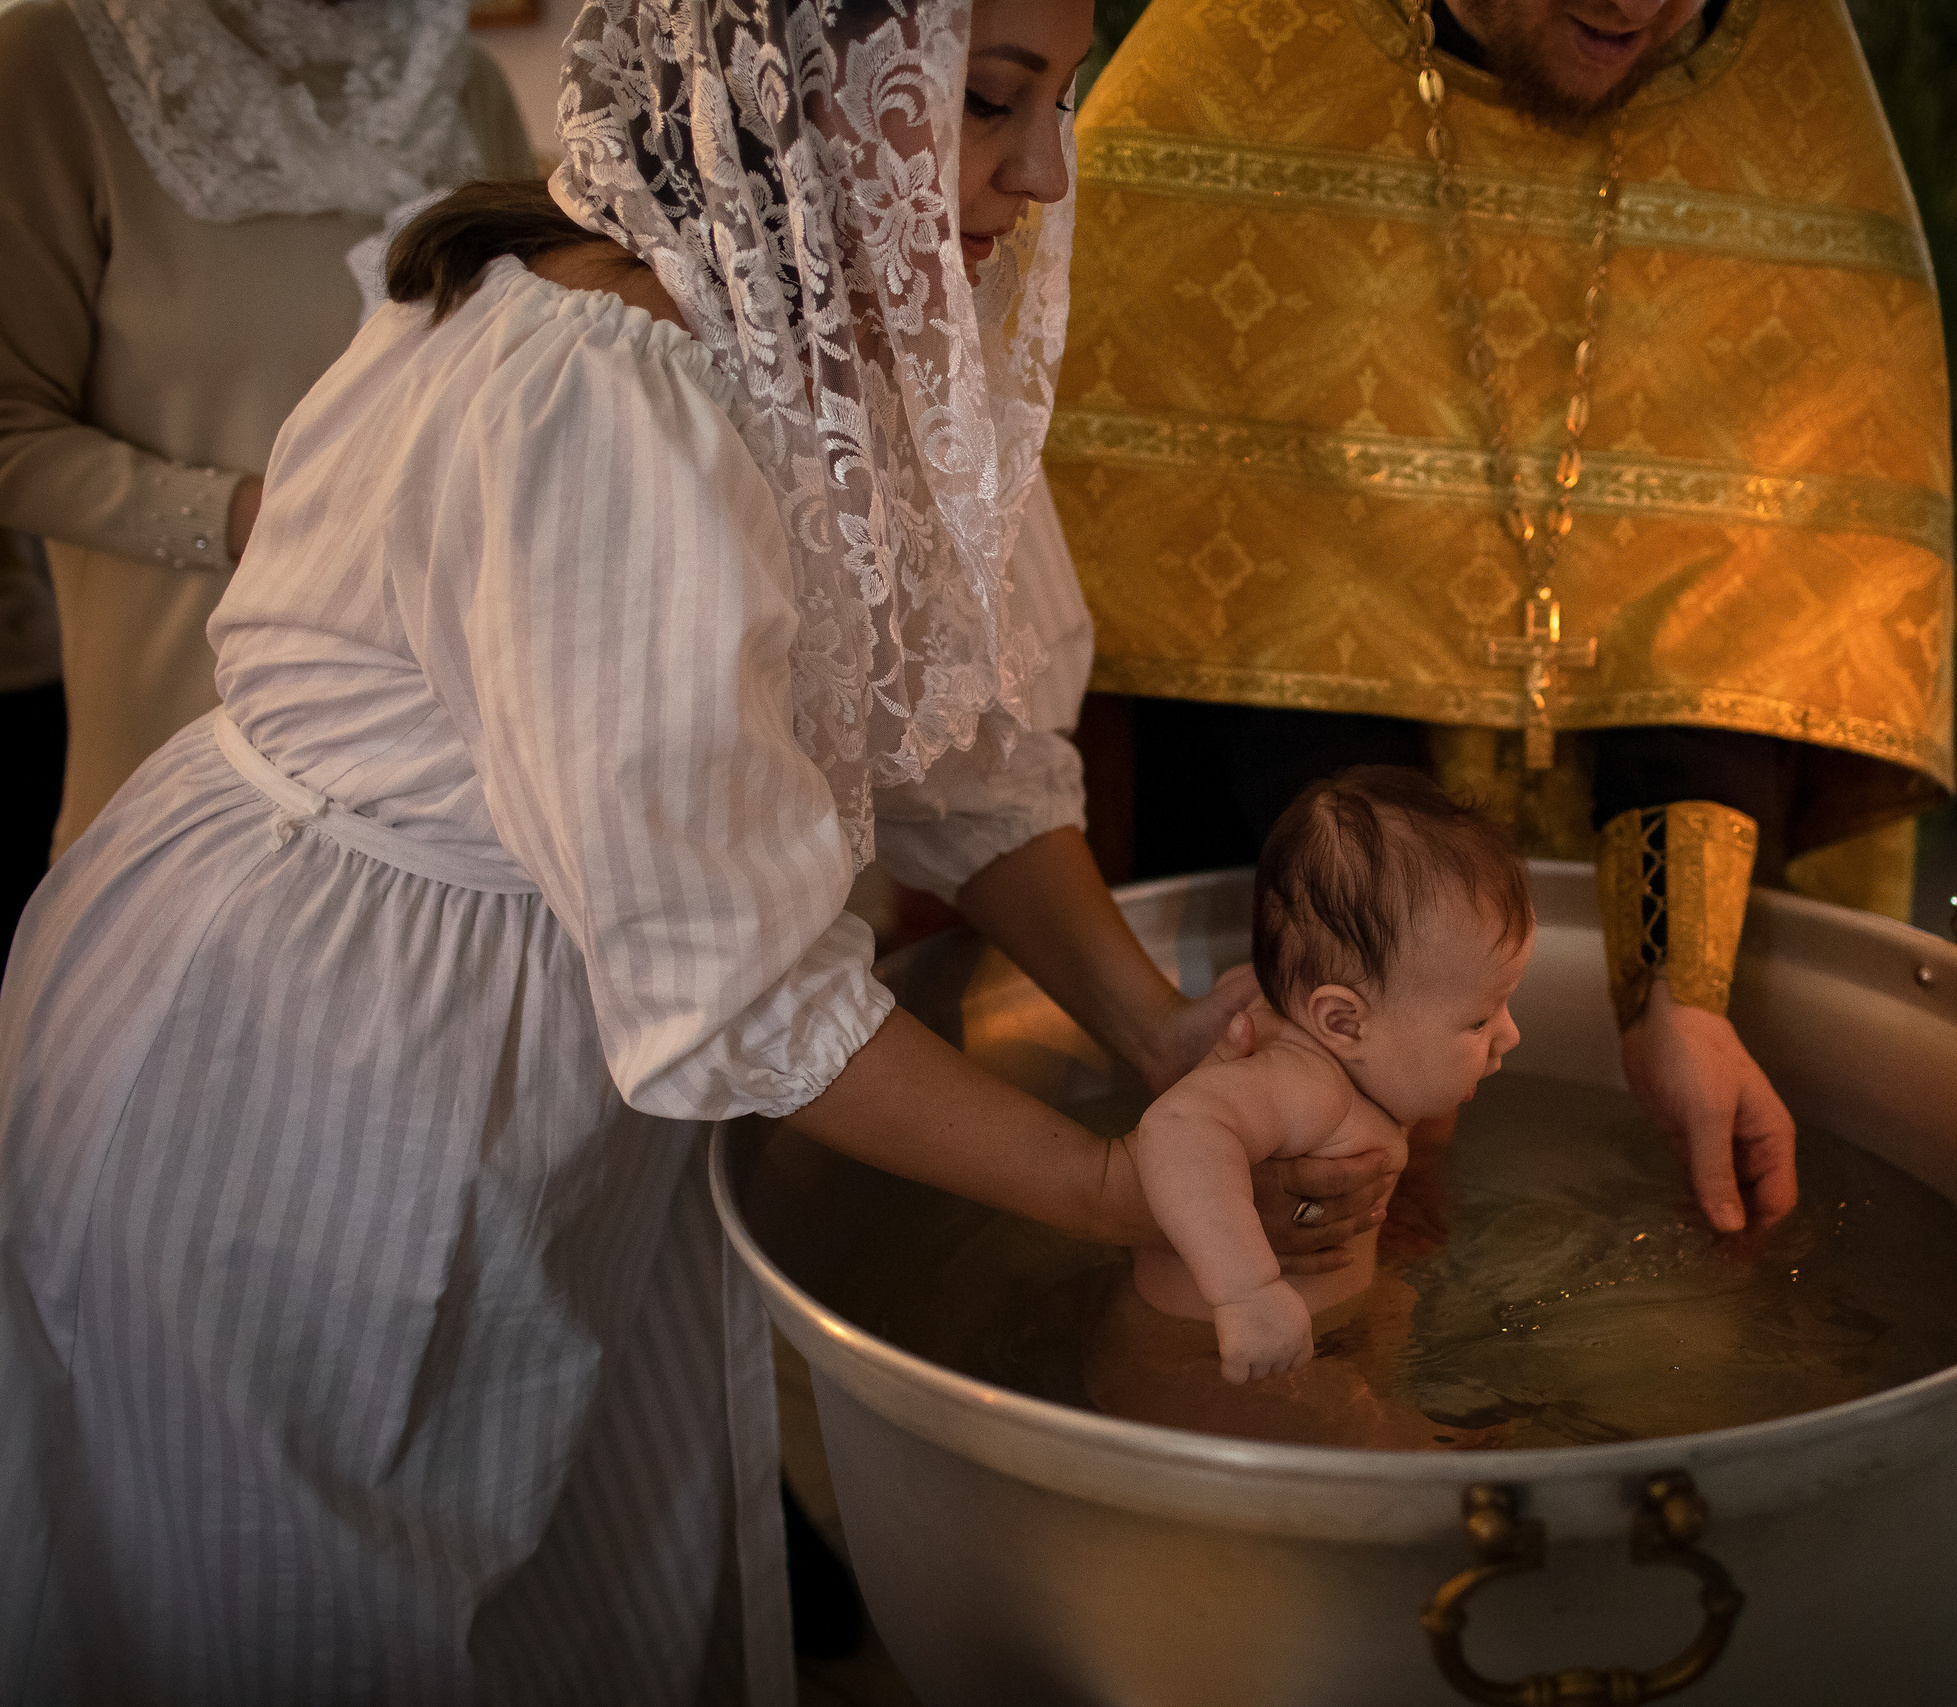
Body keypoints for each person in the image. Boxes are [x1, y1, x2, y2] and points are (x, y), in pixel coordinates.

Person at [0, 0, 1391, 1698]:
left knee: (569, 1547)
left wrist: (1153, 1033)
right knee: (336, 1590)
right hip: (323, 1043)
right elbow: (741, 994)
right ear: (789, 84)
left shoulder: (860, 325)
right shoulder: (612, 393)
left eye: (1061, 104)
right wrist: (1117, 1186)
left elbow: (951, 747)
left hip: (562, 1016)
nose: (1042, 171)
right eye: (988, 102)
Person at [1044, 0, 1957, 1235]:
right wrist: (1376, 1000)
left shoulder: (1788, 124)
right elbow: (1226, 570)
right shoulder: (1229, 70)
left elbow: (1752, 611)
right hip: (1296, 869)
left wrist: (1672, 991)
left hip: (1650, 846)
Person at [0, 0, 538, 860]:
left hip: (450, 788)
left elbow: (534, 385)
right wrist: (252, 515)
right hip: (184, 756)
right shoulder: (54, 57)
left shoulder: (460, 81)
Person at [1127, 767, 1531, 1383]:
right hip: (1212, 1365)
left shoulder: (1356, 1060)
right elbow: (1178, 1129)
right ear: (1342, 1021)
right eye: (1479, 1020)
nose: (1510, 1035)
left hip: (1306, 1338)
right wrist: (1248, 1293)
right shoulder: (1302, 1081)